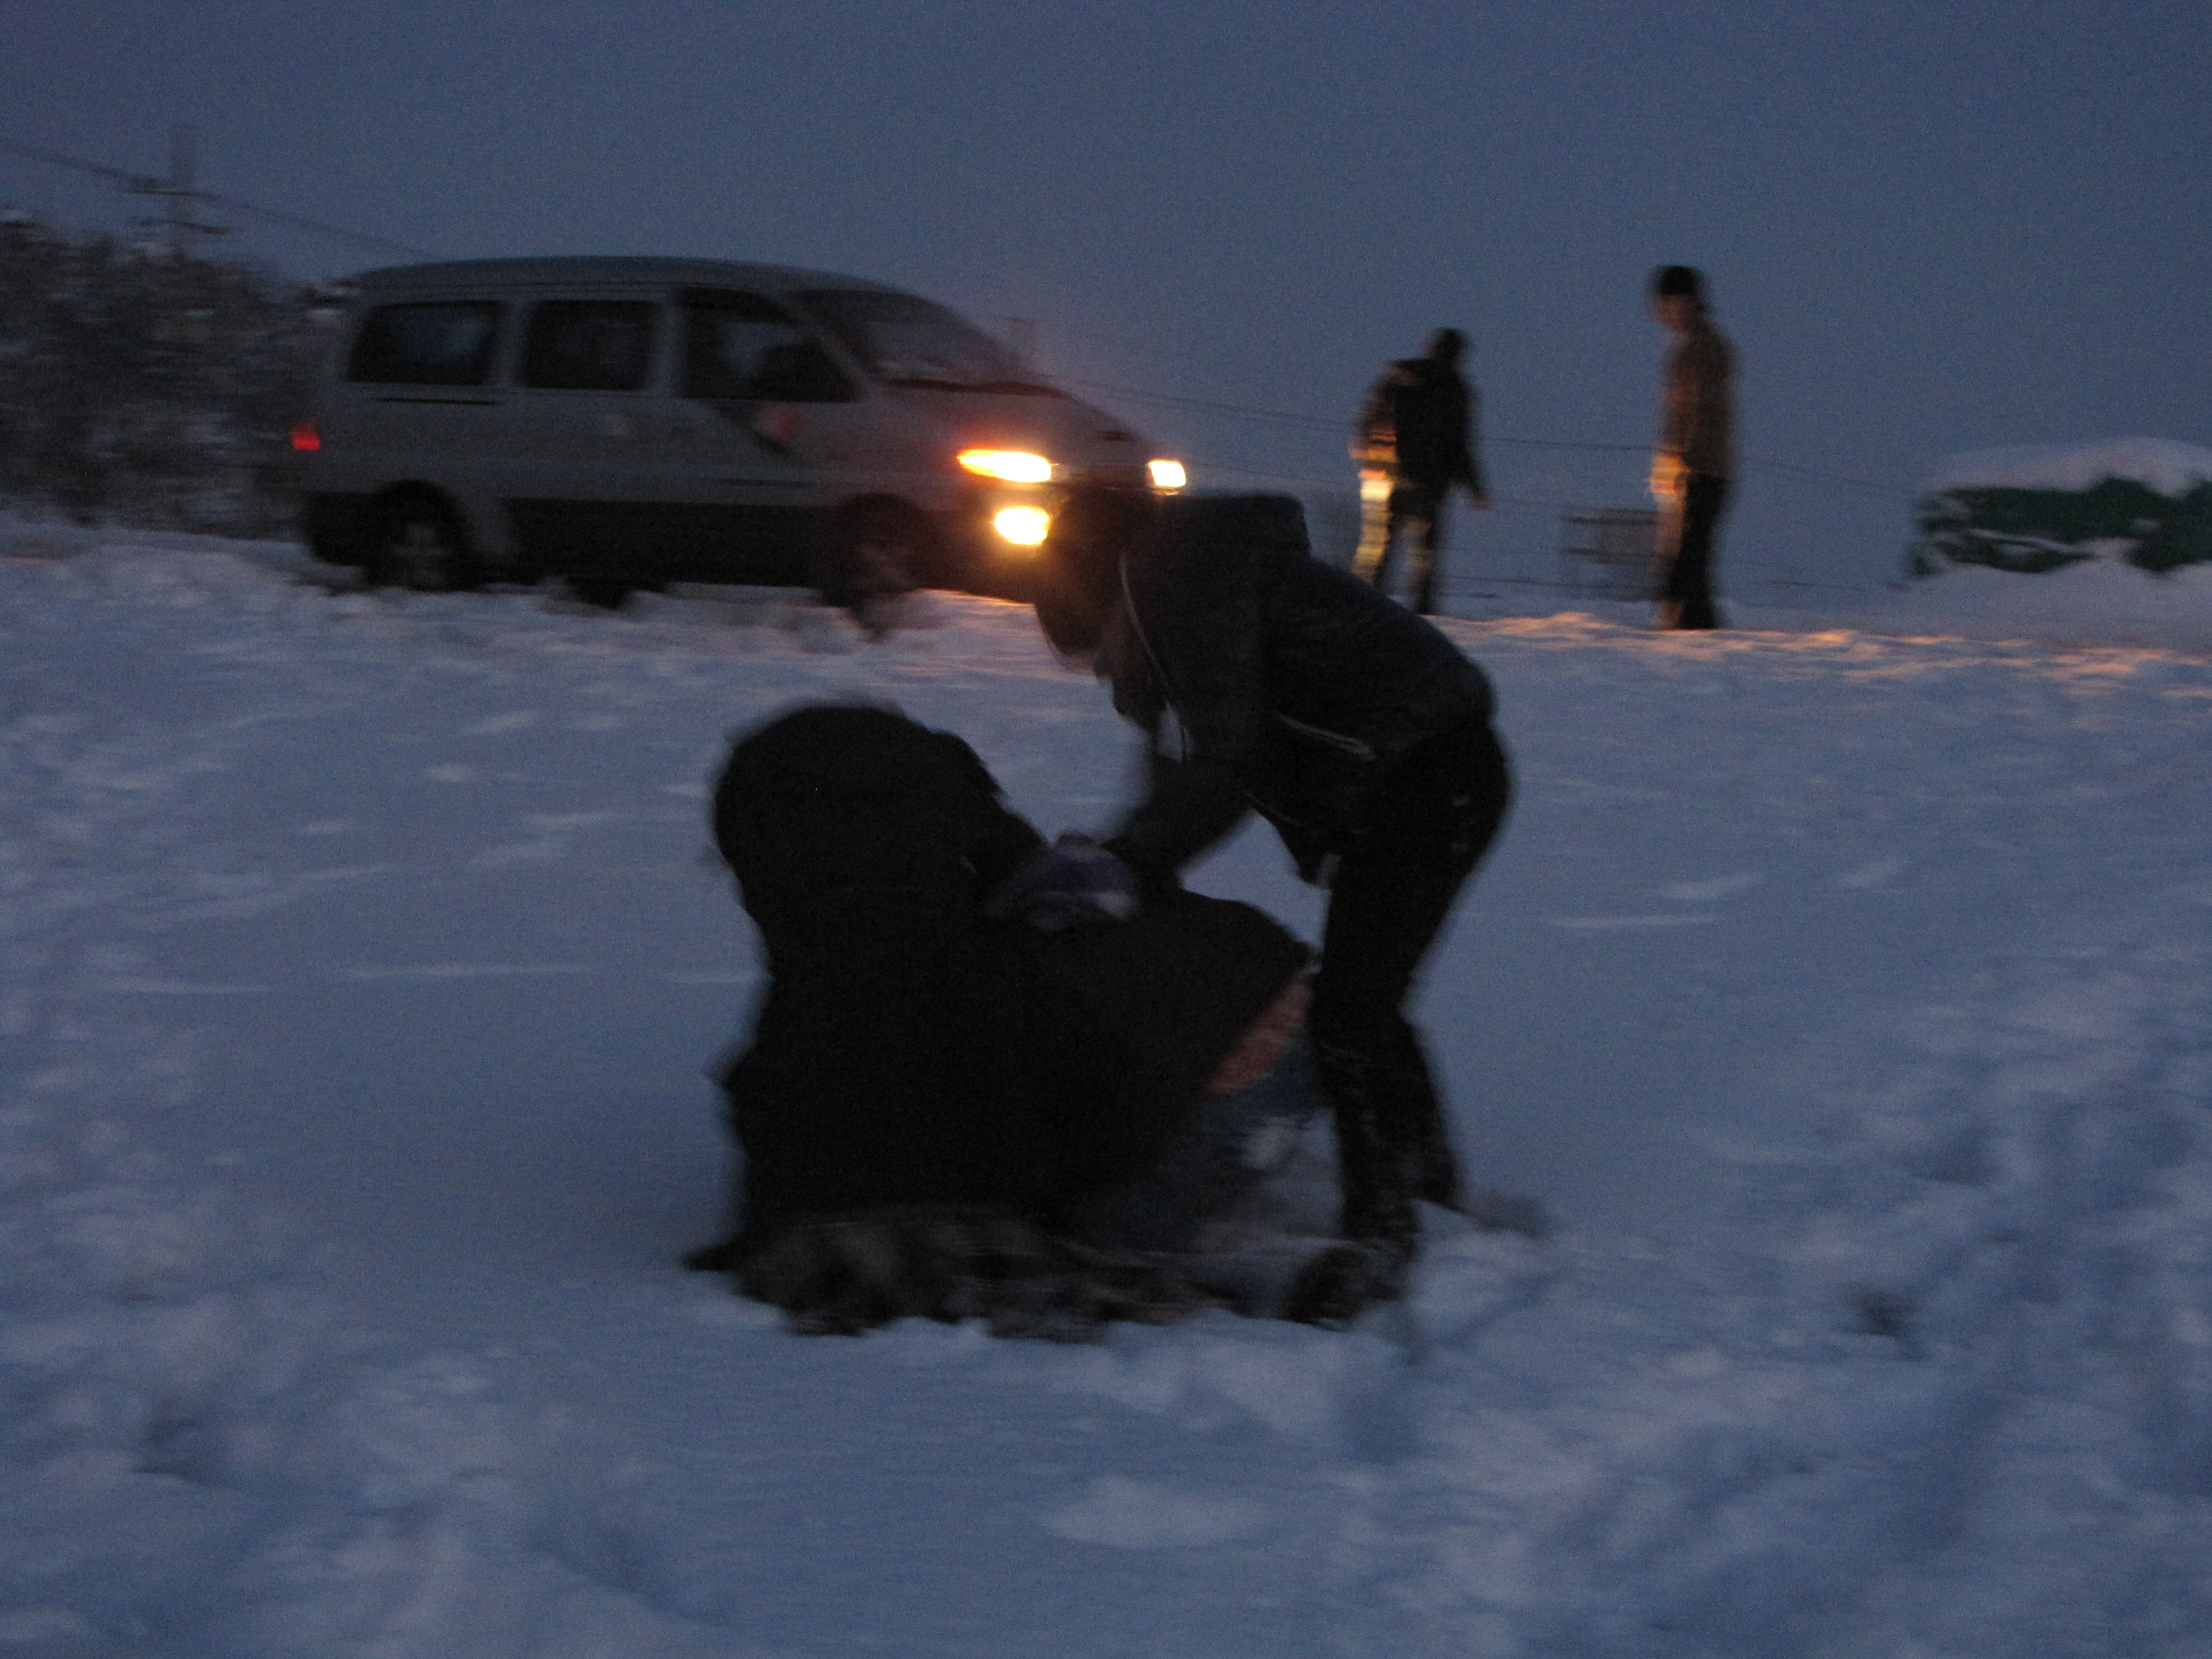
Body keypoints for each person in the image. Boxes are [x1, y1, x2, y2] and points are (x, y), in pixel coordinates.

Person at [685, 700, 1320, 1337]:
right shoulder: (1009, 887)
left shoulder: (877, 987)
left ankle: (1259, 1270)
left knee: (1084, 1230)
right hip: (1290, 1022)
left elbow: (957, 1148)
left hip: (1231, 1081)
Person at [1032, 489, 1513, 1327]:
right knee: (1367, 1002)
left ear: (1101, 595)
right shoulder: (1197, 579)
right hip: (1431, 773)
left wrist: (1128, 867)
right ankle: (1427, 1191)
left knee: (1352, 1011)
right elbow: (1193, 763)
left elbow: (1218, 763)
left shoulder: (1177, 583)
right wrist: (1129, 860)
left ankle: (1387, 1232)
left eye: (1099, 652)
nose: (1106, 672)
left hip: (1428, 777)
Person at [1352, 327, 1491, 615]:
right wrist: (1474, 485)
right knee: (1426, 554)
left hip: (1383, 477)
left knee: (1376, 547)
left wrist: (1368, 461)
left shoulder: (1394, 380)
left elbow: (1365, 423)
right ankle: (1423, 615)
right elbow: (1459, 442)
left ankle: (1361, 607)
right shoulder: (1455, 389)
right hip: (1429, 483)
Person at [1649, 265, 1736, 630]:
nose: (1659, 312)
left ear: (1683, 302)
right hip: (1703, 467)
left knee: (1686, 565)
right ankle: (1692, 636)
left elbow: (1698, 410)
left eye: (1665, 303)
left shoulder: (1701, 348)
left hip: (1700, 469)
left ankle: (1687, 637)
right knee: (1691, 567)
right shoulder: (1698, 345)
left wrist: (1677, 460)